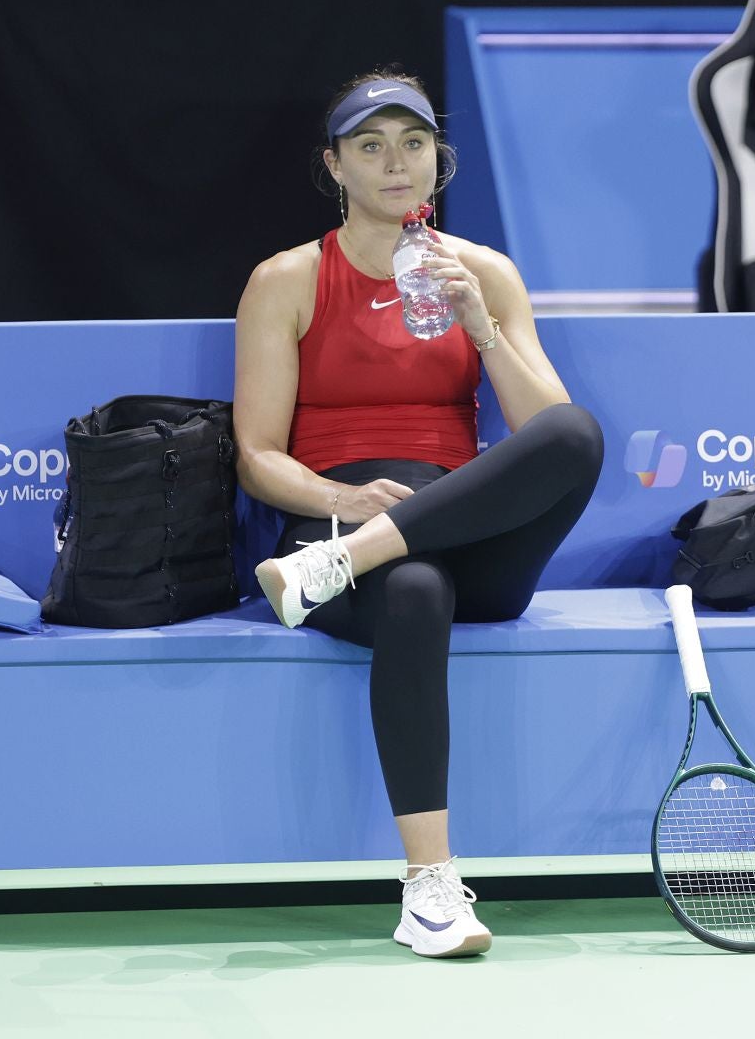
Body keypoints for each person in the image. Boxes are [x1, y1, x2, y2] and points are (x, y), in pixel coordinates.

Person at [233, 70, 603, 958]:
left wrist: (481, 325)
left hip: (459, 527)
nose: (397, 163)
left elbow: (542, 430)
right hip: (332, 520)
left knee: (578, 435)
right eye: (371, 146)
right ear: (335, 165)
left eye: (413, 143)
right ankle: (430, 890)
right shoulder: (287, 280)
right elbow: (256, 457)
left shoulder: (483, 271)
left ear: (440, 156)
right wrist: (341, 504)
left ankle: (350, 559)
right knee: (414, 590)